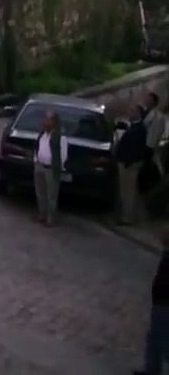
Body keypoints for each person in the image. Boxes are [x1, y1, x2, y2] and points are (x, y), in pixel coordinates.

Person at [135, 228, 169, 375]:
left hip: (165, 305)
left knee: (162, 341)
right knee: (154, 339)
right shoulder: (167, 255)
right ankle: (151, 370)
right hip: (160, 303)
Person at [118, 104, 152, 226]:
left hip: (130, 165)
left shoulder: (139, 129)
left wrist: (128, 161)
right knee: (126, 191)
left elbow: (136, 149)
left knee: (129, 192)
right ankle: (127, 216)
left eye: (132, 111)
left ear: (137, 113)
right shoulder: (134, 127)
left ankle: (128, 218)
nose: (129, 113)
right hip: (127, 163)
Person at [33, 110, 64, 227]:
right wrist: (36, 161)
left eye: (49, 120)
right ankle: (42, 215)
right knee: (40, 193)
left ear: (55, 122)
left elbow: (63, 153)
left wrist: (58, 167)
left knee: (51, 195)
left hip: (51, 169)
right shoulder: (42, 134)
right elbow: (37, 147)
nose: (46, 122)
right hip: (40, 166)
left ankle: (50, 219)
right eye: (45, 119)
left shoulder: (58, 136)